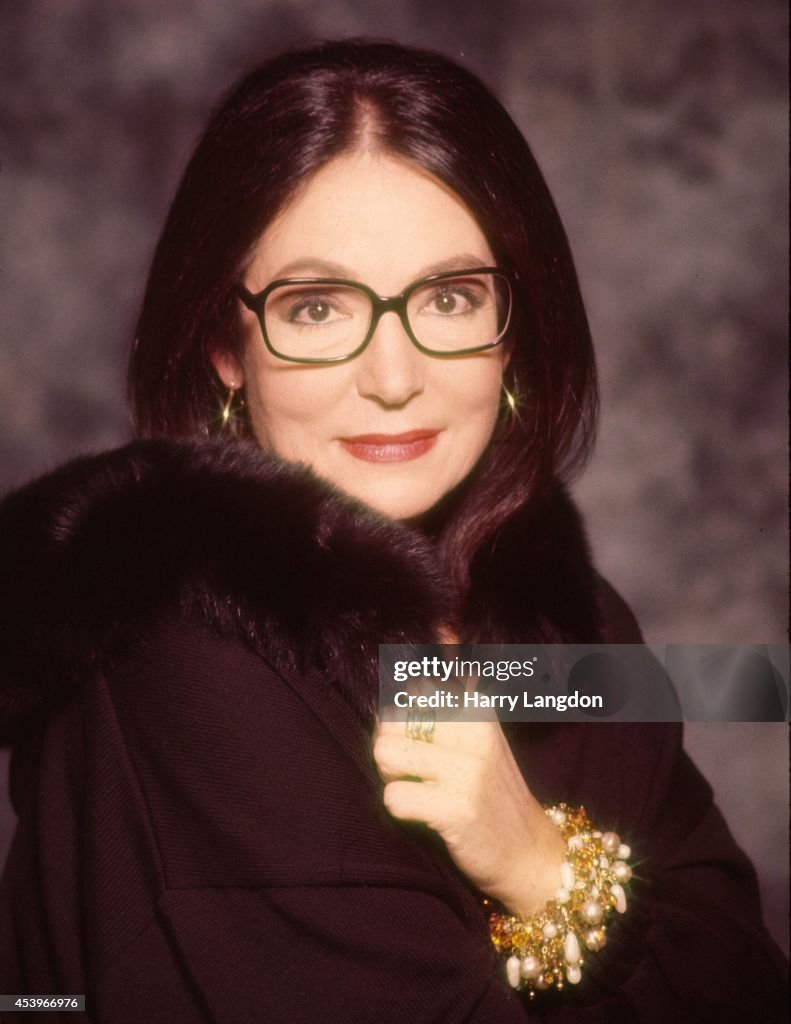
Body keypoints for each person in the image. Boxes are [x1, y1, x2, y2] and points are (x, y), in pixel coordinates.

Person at [0, 39, 785, 1023]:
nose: (392, 375)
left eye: (447, 298)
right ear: (224, 347)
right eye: (316, 306)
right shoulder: (189, 652)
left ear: (514, 328)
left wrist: (538, 865)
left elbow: (747, 982)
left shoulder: (570, 628)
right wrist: (597, 913)